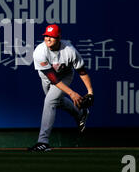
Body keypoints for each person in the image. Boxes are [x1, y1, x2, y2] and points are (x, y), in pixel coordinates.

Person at [28, 24, 94, 152]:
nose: (48, 39)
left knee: (50, 102)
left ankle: (43, 142)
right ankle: (81, 113)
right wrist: (72, 93)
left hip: (65, 75)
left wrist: (90, 92)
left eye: (51, 36)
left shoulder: (69, 50)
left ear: (58, 37)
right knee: (56, 102)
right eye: (46, 36)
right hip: (47, 78)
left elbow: (82, 71)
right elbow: (53, 79)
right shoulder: (40, 51)